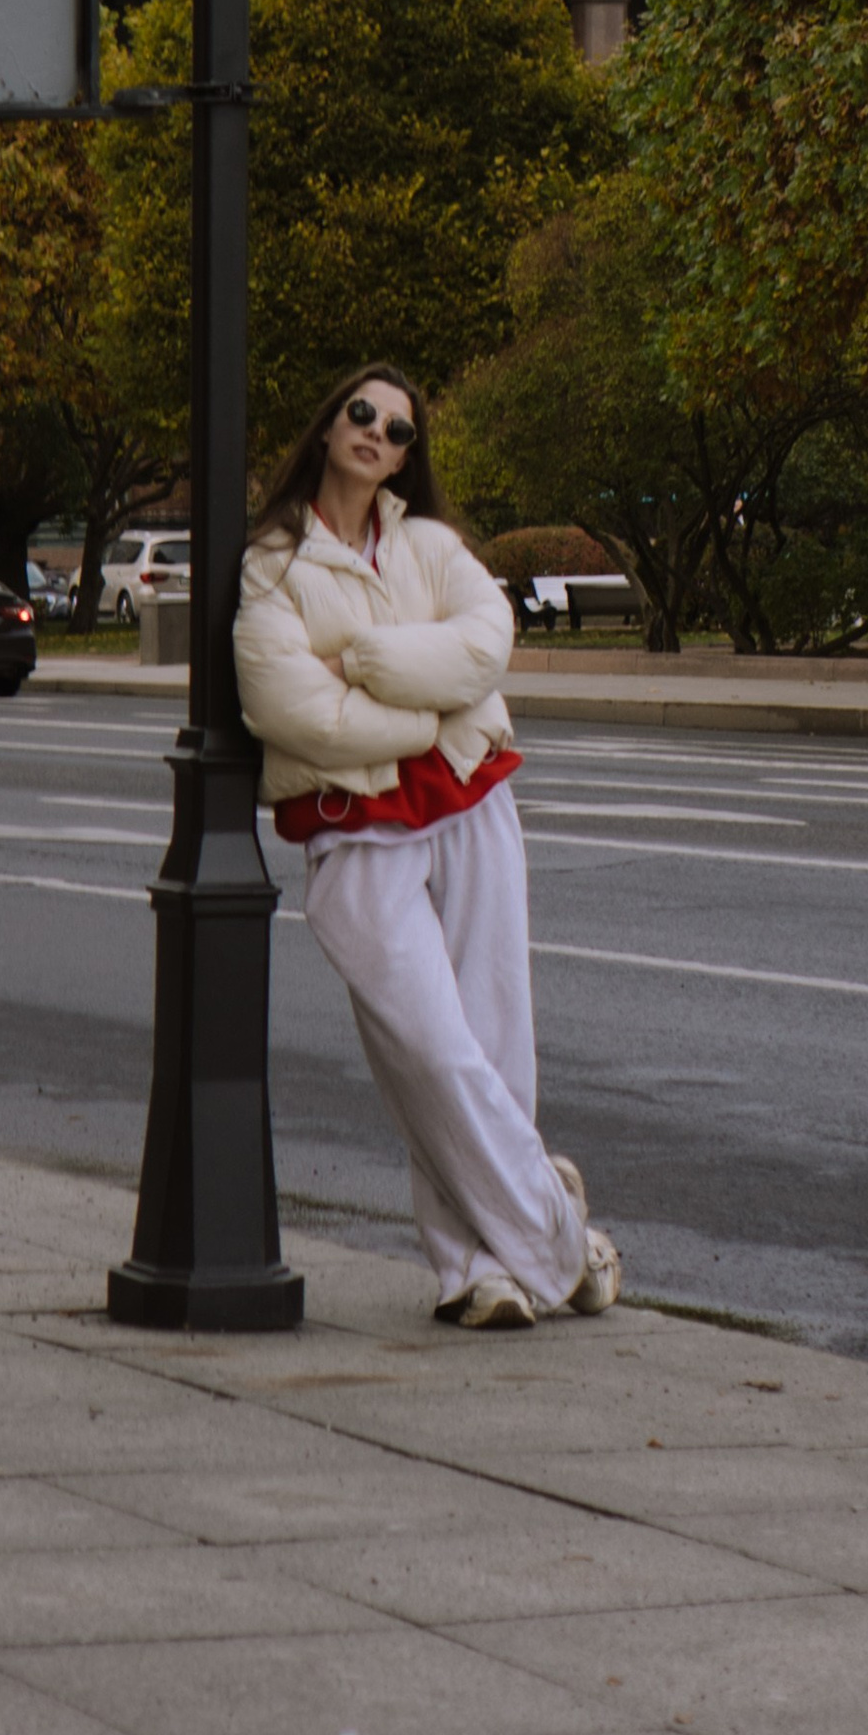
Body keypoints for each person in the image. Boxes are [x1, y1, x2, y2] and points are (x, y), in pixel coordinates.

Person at [234, 363, 622, 1331]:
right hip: (352, 830)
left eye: (398, 429)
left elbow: (484, 648)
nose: (377, 433)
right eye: (362, 413)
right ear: (329, 424)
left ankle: (476, 1273)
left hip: (471, 800)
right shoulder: (271, 564)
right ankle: (562, 1236)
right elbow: (291, 708)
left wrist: (365, 661)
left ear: (409, 456)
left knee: (493, 1043)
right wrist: (424, 715)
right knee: (430, 1053)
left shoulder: (433, 545)